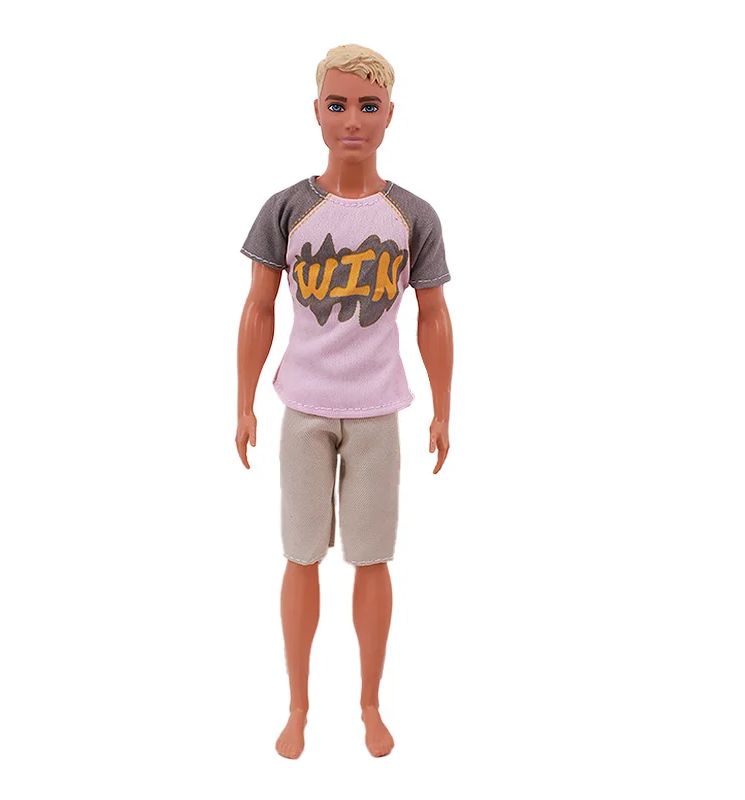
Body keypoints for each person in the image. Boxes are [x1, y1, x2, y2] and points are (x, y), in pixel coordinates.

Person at [235, 43, 454, 759]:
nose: (352, 120)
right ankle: (297, 705)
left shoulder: (412, 215)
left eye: (367, 106)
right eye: (338, 105)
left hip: (377, 411)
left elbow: (433, 315)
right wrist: (244, 402)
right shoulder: (288, 209)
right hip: (302, 406)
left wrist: (443, 408)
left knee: (372, 558)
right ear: (317, 113)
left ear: (390, 115)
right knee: (300, 557)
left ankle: (369, 703)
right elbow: (259, 308)